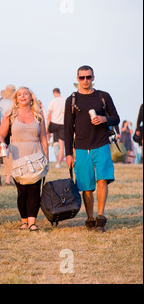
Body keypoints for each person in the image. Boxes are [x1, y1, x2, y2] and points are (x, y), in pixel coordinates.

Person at [64, 65, 120, 232]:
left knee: (102, 179)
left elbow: (116, 118)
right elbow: (67, 128)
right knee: (86, 187)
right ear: (77, 79)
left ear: (93, 77)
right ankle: (90, 218)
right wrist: (68, 153)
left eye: (88, 77)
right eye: (82, 77)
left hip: (101, 144)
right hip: (81, 148)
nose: (85, 80)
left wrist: (104, 119)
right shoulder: (71, 100)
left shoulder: (103, 96)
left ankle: (101, 216)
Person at [0, 87, 48, 231]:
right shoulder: (11, 115)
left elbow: (43, 138)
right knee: (22, 190)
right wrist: (0, 142)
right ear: (16, 99)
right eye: (19, 94)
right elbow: (0, 134)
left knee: (34, 189)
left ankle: (32, 222)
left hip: (35, 154)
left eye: (26, 93)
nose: (23, 96)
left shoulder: (38, 116)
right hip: (16, 155)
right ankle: (23, 221)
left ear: (31, 97)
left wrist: (47, 158)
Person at [46, 88, 66, 168]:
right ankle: (58, 163)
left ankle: (48, 158)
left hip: (54, 123)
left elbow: (49, 115)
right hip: (62, 124)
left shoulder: (52, 101)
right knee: (61, 145)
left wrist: (47, 128)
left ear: (54, 93)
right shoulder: (65, 100)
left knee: (51, 141)